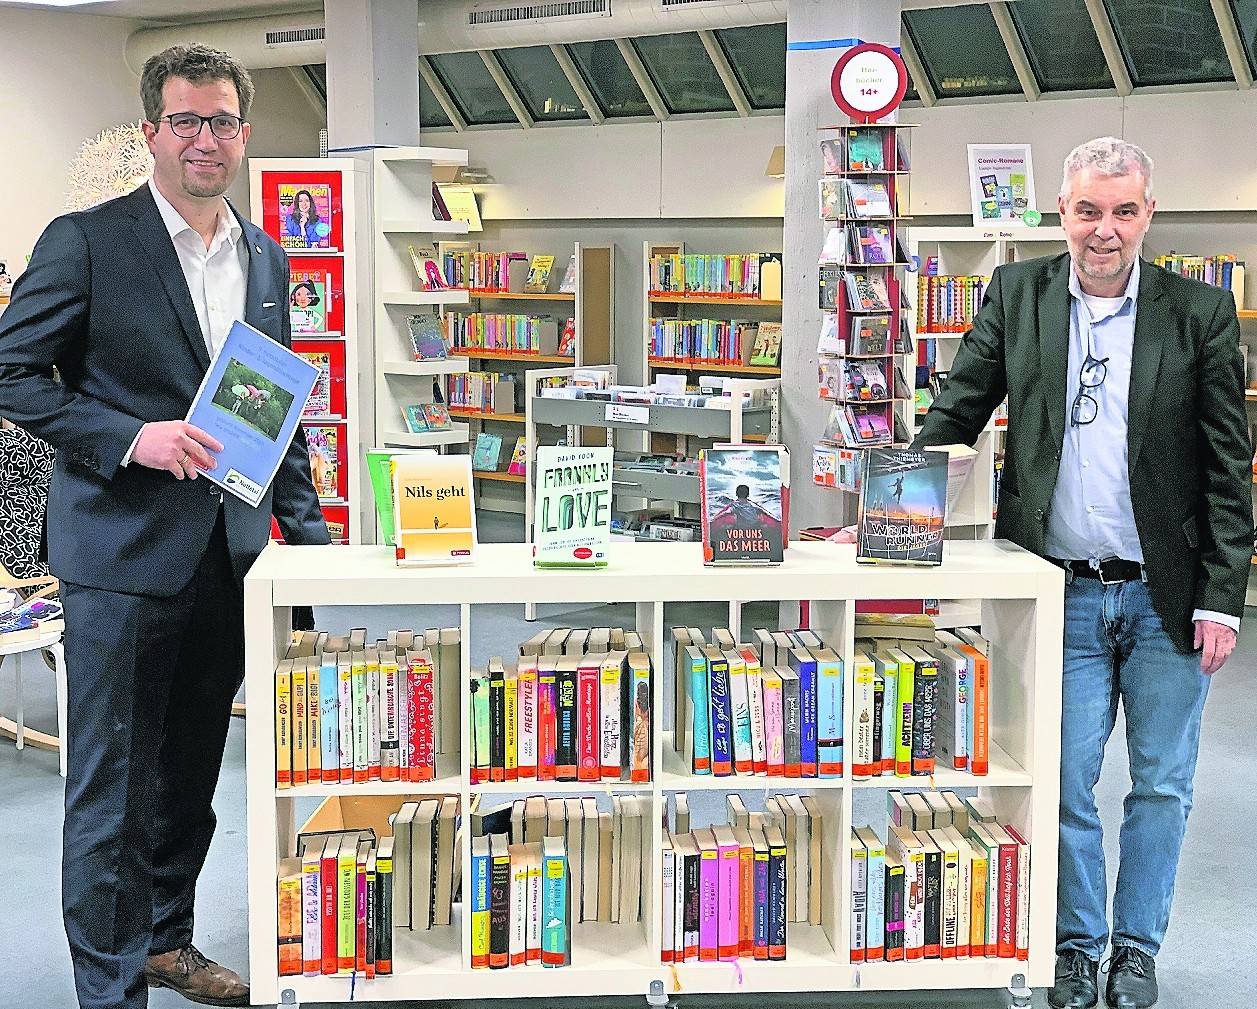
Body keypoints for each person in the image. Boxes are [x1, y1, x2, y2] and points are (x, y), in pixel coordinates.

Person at [0, 44, 329, 1009]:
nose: (204, 139)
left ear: (244, 132)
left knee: (190, 776)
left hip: (229, 559)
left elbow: (277, 417)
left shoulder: (265, 256)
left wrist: (307, 555)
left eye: (221, 121)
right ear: (152, 133)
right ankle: (109, 990)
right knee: (111, 794)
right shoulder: (87, 240)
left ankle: (165, 942)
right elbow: (12, 373)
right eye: (184, 121)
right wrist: (128, 436)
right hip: (120, 558)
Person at [914, 137, 1250, 1009]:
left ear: (1147, 213)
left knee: (1161, 785)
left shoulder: (1200, 314)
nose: (1105, 230)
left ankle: (1134, 949)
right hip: (1052, 587)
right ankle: (1072, 944)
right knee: (1056, 780)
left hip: (1165, 597)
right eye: (1087, 210)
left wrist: (1223, 598)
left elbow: (1227, 467)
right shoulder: (1016, 293)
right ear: (1059, 212)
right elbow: (957, 410)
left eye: (1124, 210)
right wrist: (889, 513)